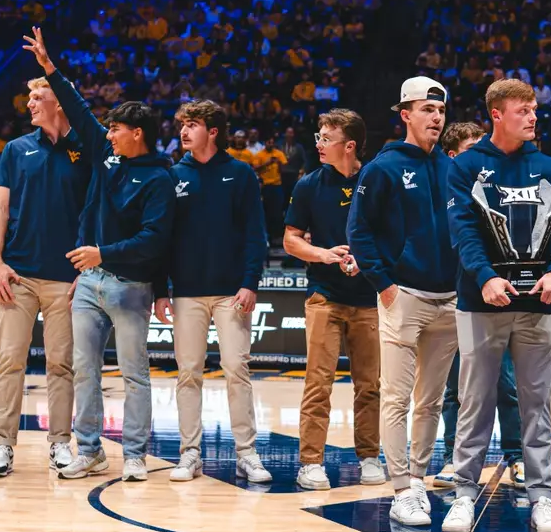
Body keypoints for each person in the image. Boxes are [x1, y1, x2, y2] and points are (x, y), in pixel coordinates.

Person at [23, 26, 175, 483]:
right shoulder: (103, 156)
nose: (108, 135)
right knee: (85, 371)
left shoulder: (159, 180)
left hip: (130, 285)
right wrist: (50, 68)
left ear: (139, 134)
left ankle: (134, 454)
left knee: (134, 375)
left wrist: (101, 252)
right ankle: (89, 451)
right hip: (89, 283)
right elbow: (79, 111)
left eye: (117, 130)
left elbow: (153, 240)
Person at [441, 79, 551, 532]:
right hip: (481, 302)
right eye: (523, 110)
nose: (533, 117)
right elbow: (463, 229)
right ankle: (463, 494)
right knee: (474, 402)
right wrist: (485, 276)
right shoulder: (467, 166)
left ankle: (541, 496)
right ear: (497, 114)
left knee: (537, 403)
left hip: (540, 302)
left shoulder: (549, 167)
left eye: (534, 109)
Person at [347, 76, 458, 528]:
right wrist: (385, 284)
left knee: (430, 401)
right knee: (396, 397)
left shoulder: (452, 168)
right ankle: (400, 489)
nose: (435, 117)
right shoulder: (383, 167)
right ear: (405, 114)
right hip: (404, 296)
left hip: (449, 299)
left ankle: (418, 478)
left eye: (440, 111)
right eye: (426, 109)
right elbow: (359, 231)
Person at [156, 100, 272, 486]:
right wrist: (161, 290)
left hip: (231, 292)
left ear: (213, 130)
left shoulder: (240, 174)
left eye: (192, 125)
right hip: (187, 292)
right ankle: (190, 453)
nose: (184, 131)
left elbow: (256, 234)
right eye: (182, 125)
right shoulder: (173, 175)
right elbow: (163, 239)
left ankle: (246, 453)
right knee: (188, 373)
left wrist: (250, 282)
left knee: (237, 371)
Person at [0, 75, 89, 478]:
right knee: (10, 362)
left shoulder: (86, 148)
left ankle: (60, 442)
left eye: (37, 97)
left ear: (59, 103)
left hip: (67, 278)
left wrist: (89, 268)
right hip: (19, 275)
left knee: (61, 365)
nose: (29, 103)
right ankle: (1, 446)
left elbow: (95, 210)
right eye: (28, 96)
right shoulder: (15, 149)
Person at [285, 108, 384, 490]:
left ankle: (370, 456)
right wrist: (324, 254)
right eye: (319, 138)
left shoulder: (374, 180)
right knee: (318, 382)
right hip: (324, 296)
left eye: (327, 139)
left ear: (350, 145)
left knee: (370, 384)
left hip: (369, 297)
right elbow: (291, 239)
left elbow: (391, 234)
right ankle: (310, 462)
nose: (319, 145)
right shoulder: (309, 184)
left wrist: (368, 260)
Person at [434, 120, 523, 490]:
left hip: (489, 297)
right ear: (453, 156)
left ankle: (517, 457)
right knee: (454, 387)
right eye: (471, 150)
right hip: (452, 297)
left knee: (505, 383)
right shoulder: (444, 190)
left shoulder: (496, 189)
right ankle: (454, 459)